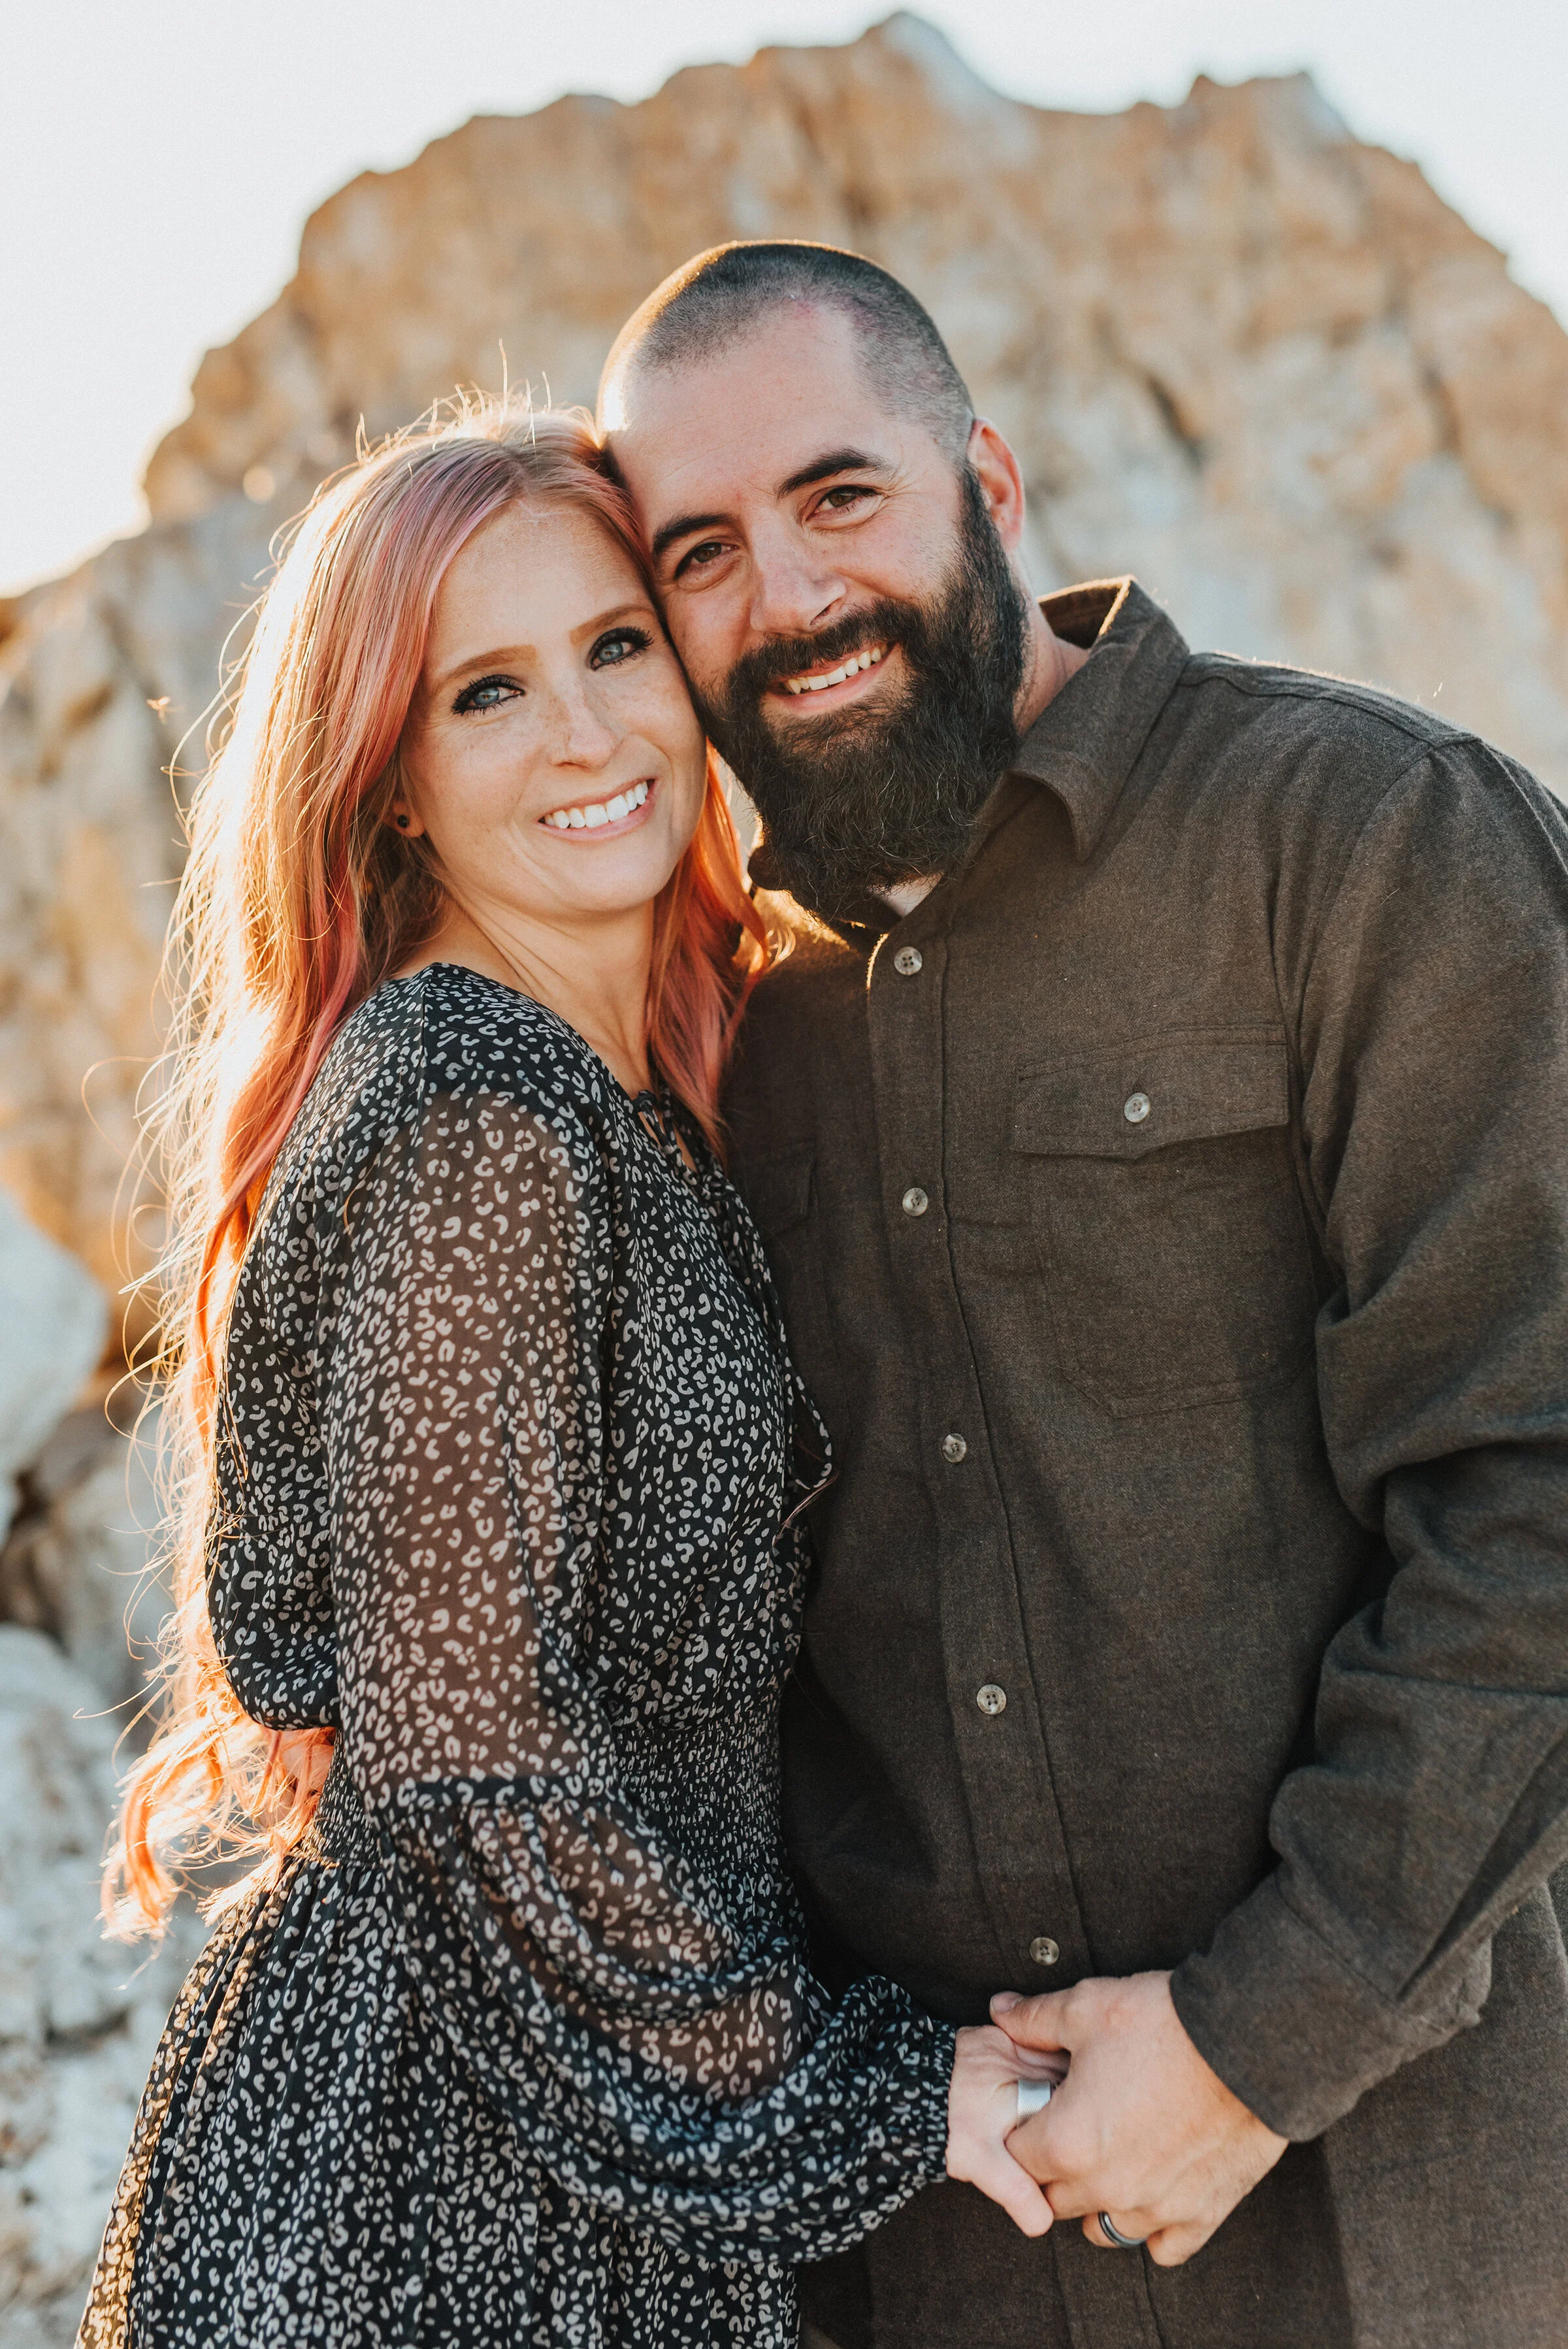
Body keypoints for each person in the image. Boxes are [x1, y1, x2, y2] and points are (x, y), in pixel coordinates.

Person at [598, 241, 1568, 2349]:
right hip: (949, 2258)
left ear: (993, 480)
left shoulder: (1374, 841)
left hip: (1401, 2223)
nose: (786, 600)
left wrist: (1247, 2049)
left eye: (840, 495)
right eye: (703, 552)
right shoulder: (726, 1039)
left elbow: (1534, 1501)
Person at [80, 401, 1056, 2349]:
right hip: (428, 2196)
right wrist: (891, 2097)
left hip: (582, 2141)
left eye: (617, 647)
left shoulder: (621, 1098)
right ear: (395, 788)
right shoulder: (476, 1110)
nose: (591, 735)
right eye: (488, 694)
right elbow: (466, 1764)